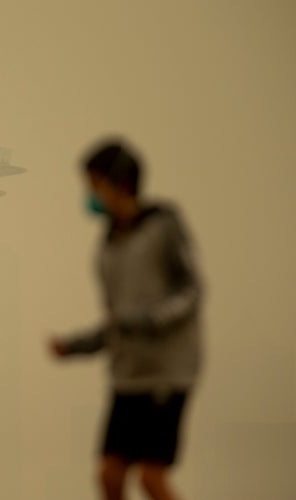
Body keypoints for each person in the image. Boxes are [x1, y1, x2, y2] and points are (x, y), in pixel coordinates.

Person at [49, 139, 203, 500]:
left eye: (94, 185)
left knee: (151, 478)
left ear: (119, 183)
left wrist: (150, 320)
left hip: (166, 374)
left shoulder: (165, 226)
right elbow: (116, 322)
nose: (89, 195)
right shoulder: (107, 248)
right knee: (109, 476)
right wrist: (74, 347)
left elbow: (191, 291)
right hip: (127, 377)